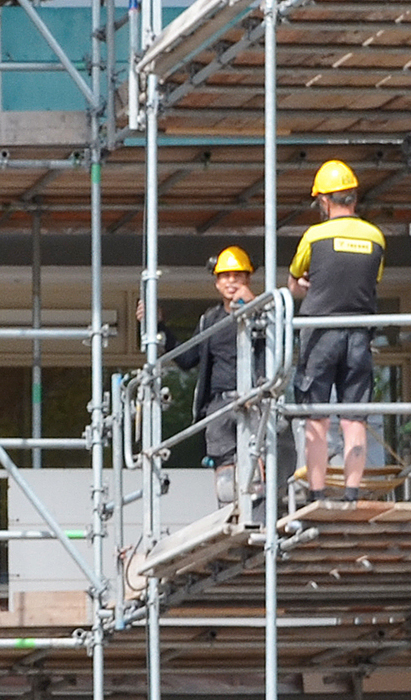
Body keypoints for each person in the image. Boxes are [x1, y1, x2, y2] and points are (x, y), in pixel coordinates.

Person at [138, 246, 265, 509]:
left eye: (237, 276)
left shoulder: (263, 315)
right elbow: (188, 359)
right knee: (224, 467)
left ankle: (259, 516)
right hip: (218, 404)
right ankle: (229, 515)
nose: (231, 282)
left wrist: (253, 306)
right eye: (225, 276)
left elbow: (277, 344)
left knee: (255, 460)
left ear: (248, 279)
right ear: (217, 282)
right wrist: (159, 328)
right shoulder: (210, 320)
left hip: (254, 399)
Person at [288, 160, 385, 503]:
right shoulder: (375, 237)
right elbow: (370, 282)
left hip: (320, 334)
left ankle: (316, 494)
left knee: (316, 419)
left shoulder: (315, 235)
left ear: (325, 202)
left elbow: (295, 281)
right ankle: (352, 492)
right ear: (353, 198)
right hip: (359, 334)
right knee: (353, 419)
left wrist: (306, 284)